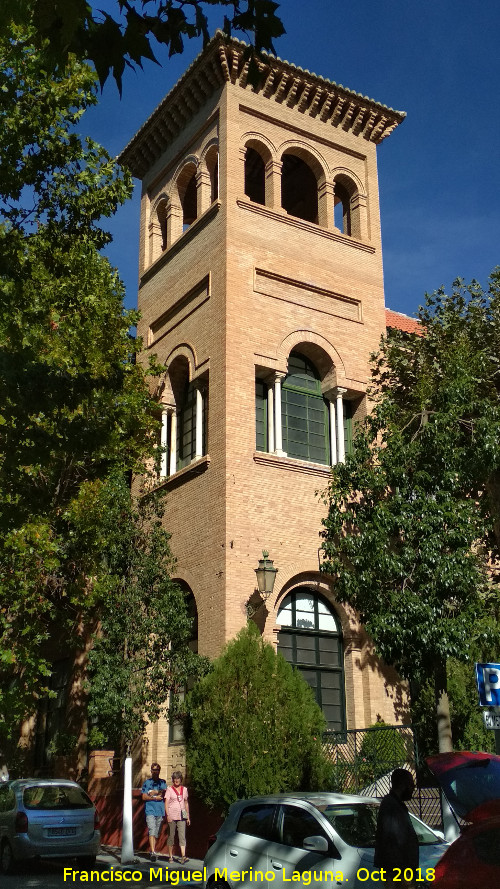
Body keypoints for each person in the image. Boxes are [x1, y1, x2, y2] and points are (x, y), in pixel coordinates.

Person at [374, 768, 419, 886]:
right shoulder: (391, 805)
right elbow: (394, 841)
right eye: (411, 784)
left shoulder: (396, 804)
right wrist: (403, 876)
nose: (413, 788)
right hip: (398, 872)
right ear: (403, 784)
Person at [141, 763, 167, 862]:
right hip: (150, 810)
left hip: (160, 810)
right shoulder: (147, 783)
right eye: (153, 770)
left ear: (159, 771)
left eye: (157, 770)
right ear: (151, 771)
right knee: (152, 829)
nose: (155, 772)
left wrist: (155, 792)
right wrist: (155, 798)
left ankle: (153, 849)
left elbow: (165, 792)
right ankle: (152, 852)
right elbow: (143, 796)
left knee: (157, 832)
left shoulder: (162, 782)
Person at [165, 770, 190, 864]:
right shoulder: (169, 790)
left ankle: (183, 856)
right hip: (172, 815)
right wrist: (167, 815)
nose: (176, 780)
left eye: (178, 778)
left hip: (182, 816)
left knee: (182, 836)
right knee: (171, 836)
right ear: (172, 780)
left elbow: (186, 803)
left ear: (181, 779)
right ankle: (170, 856)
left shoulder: (185, 790)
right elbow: (166, 803)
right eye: (175, 778)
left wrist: (188, 816)